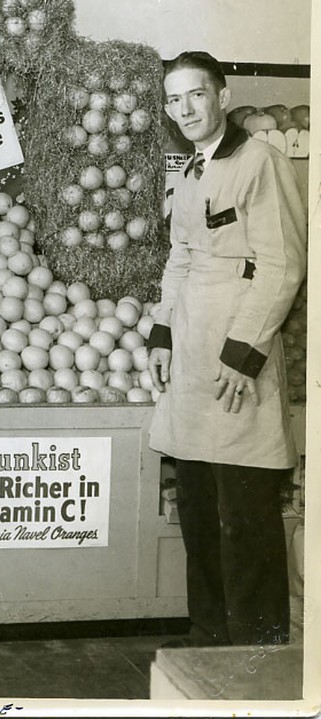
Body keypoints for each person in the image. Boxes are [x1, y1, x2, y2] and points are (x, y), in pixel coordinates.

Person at [148, 51, 306, 648]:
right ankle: (208, 631)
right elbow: (180, 257)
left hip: (238, 357)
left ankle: (255, 644)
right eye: (173, 99)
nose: (184, 108)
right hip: (190, 356)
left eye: (195, 95)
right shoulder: (192, 170)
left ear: (222, 96)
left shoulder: (260, 161)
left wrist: (243, 354)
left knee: (244, 510)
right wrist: (163, 331)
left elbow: (283, 265)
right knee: (197, 504)